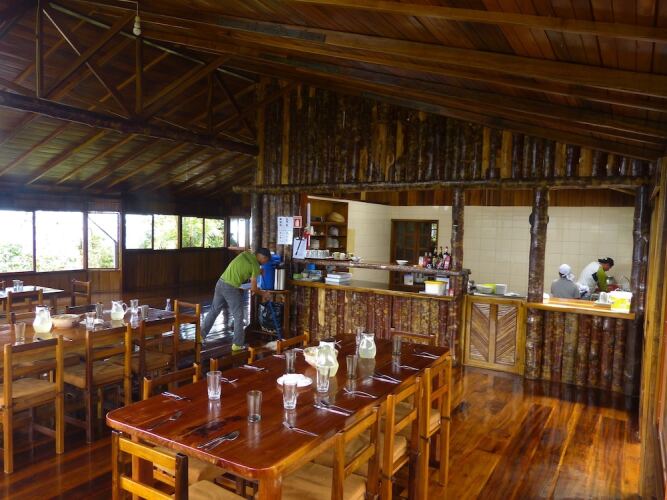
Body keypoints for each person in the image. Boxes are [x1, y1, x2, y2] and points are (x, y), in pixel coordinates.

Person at [202, 248, 271, 351]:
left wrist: (257, 272)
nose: (265, 263)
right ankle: (237, 344)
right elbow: (254, 288)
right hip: (231, 287)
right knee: (238, 315)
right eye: (266, 260)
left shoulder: (246, 254)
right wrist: (264, 293)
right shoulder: (256, 266)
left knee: (214, 310)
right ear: (263, 257)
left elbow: (244, 267)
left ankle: (200, 336)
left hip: (220, 282)